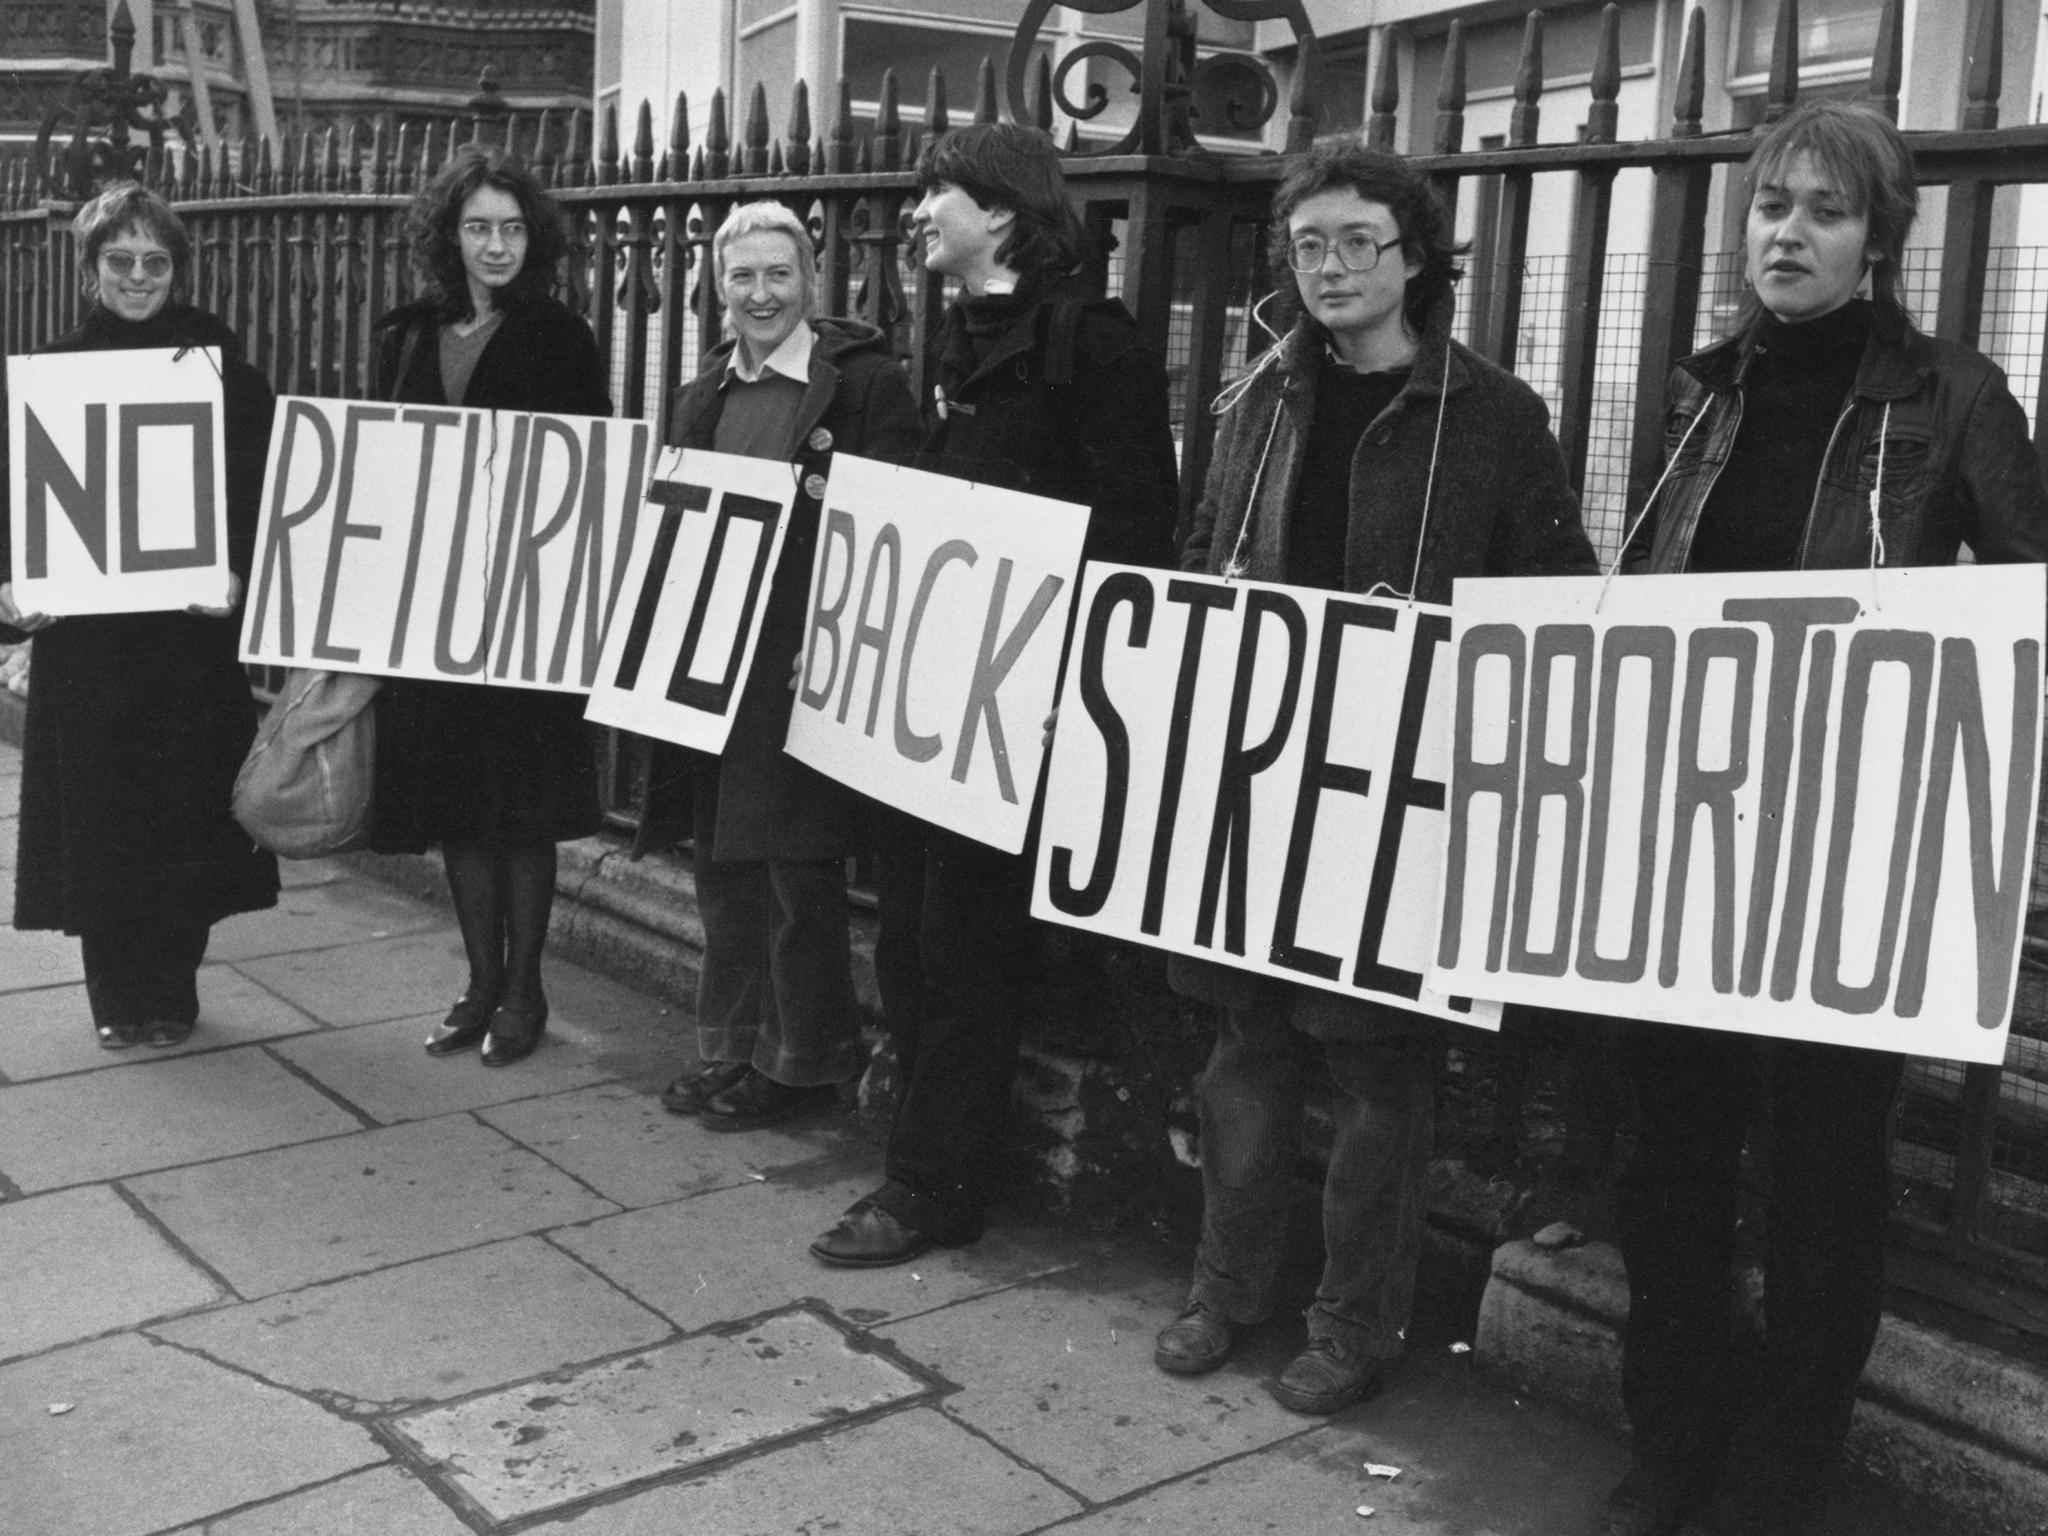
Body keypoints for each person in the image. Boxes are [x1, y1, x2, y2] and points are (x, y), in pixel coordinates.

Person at [1605, 100, 2048, 1536]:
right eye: (1767, 208)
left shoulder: (1956, 399)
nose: (1784, 234)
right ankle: (1669, 1440)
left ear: (1879, 239)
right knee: (1670, 1155)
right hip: (1690, 845)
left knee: (1821, 1179)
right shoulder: (1704, 392)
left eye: (1821, 211)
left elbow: (2025, 608)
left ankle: (1778, 1470)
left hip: (1848, 862)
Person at [1151, 143, 1598, 1416]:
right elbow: (1196, 554)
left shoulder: (1492, 415)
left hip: (1398, 792)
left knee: (1372, 1066)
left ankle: (1352, 1323)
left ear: (1414, 257)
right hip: (1257, 778)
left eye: (1356, 241)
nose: (1330, 267)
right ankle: (1225, 1290)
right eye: (1307, 246)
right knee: (1243, 1044)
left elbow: (1548, 598)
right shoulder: (1256, 402)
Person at [807, 122, 1180, 1265]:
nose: (917, 212)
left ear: (1005, 213)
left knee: (962, 948)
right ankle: (922, 1152)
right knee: (912, 939)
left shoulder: (1090, 344)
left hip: (1018, 704)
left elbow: (1135, 528)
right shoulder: (958, 333)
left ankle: (932, 1188)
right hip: (940, 698)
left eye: (939, 193)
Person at [654, 201, 921, 1131]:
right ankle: (733, 1046)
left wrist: (843, 625)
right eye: (741, 277)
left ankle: (803, 1060)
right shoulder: (702, 394)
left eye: (778, 274)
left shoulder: (867, 385)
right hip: (715, 657)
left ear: (812, 282)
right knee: (724, 864)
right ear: (717, 291)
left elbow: (892, 519)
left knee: (794, 870)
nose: (759, 294)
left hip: (801, 658)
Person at [0, 183, 279, 1049]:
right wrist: (13, 591)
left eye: (155, 262)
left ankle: (173, 988)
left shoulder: (215, 358)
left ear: (176, 270)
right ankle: (117, 998)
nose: (138, 276)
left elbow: (263, 479)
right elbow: (16, 506)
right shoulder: (54, 366)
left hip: (188, 638)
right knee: (104, 821)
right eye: (119, 261)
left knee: (183, 815)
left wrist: (238, 571)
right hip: (92, 646)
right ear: (90, 268)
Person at [367, 148, 612, 1067]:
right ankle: (478, 983)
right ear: (450, 237)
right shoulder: (406, 333)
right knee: (460, 801)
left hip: (525, 605)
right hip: (434, 606)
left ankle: (526, 991)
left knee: (522, 804)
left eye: (512, 228)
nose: (496, 244)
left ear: (532, 238)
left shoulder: (559, 335)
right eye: (479, 227)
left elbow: (588, 470)